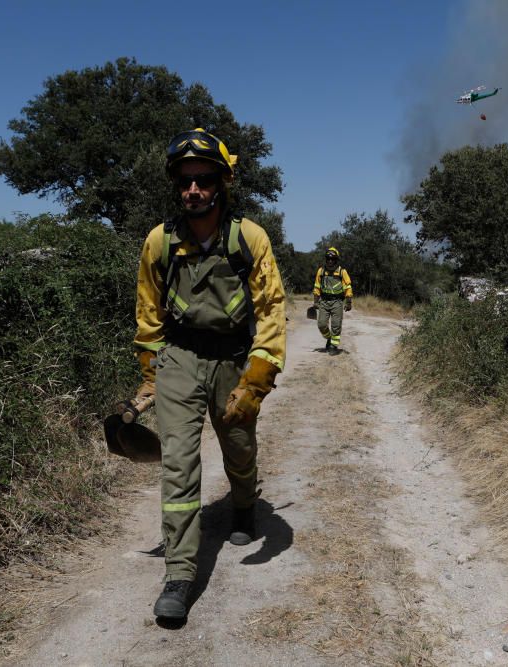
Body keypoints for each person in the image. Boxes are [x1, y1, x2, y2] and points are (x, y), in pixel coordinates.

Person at [131, 128, 286, 619]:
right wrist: (152, 374)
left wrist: (257, 380)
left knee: (238, 446)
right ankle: (179, 573)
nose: (193, 190)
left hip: (233, 360)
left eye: (203, 180)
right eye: (185, 181)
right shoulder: (159, 242)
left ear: (222, 182)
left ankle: (244, 503)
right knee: (179, 463)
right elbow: (148, 314)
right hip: (179, 358)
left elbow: (272, 310)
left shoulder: (249, 238)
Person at [312, 247, 353, 355]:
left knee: (336, 325)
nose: (330, 261)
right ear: (326, 259)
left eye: (333, 259)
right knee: (321, 325)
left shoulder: (342, 272)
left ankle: (334, 346)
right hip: (324, 302)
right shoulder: (321, 271)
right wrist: (316, 301)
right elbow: (317, 286)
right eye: (328, 259)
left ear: (336, 260)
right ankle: (329, 338)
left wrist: (348, 302)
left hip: (337, 302)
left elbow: (348, 287)